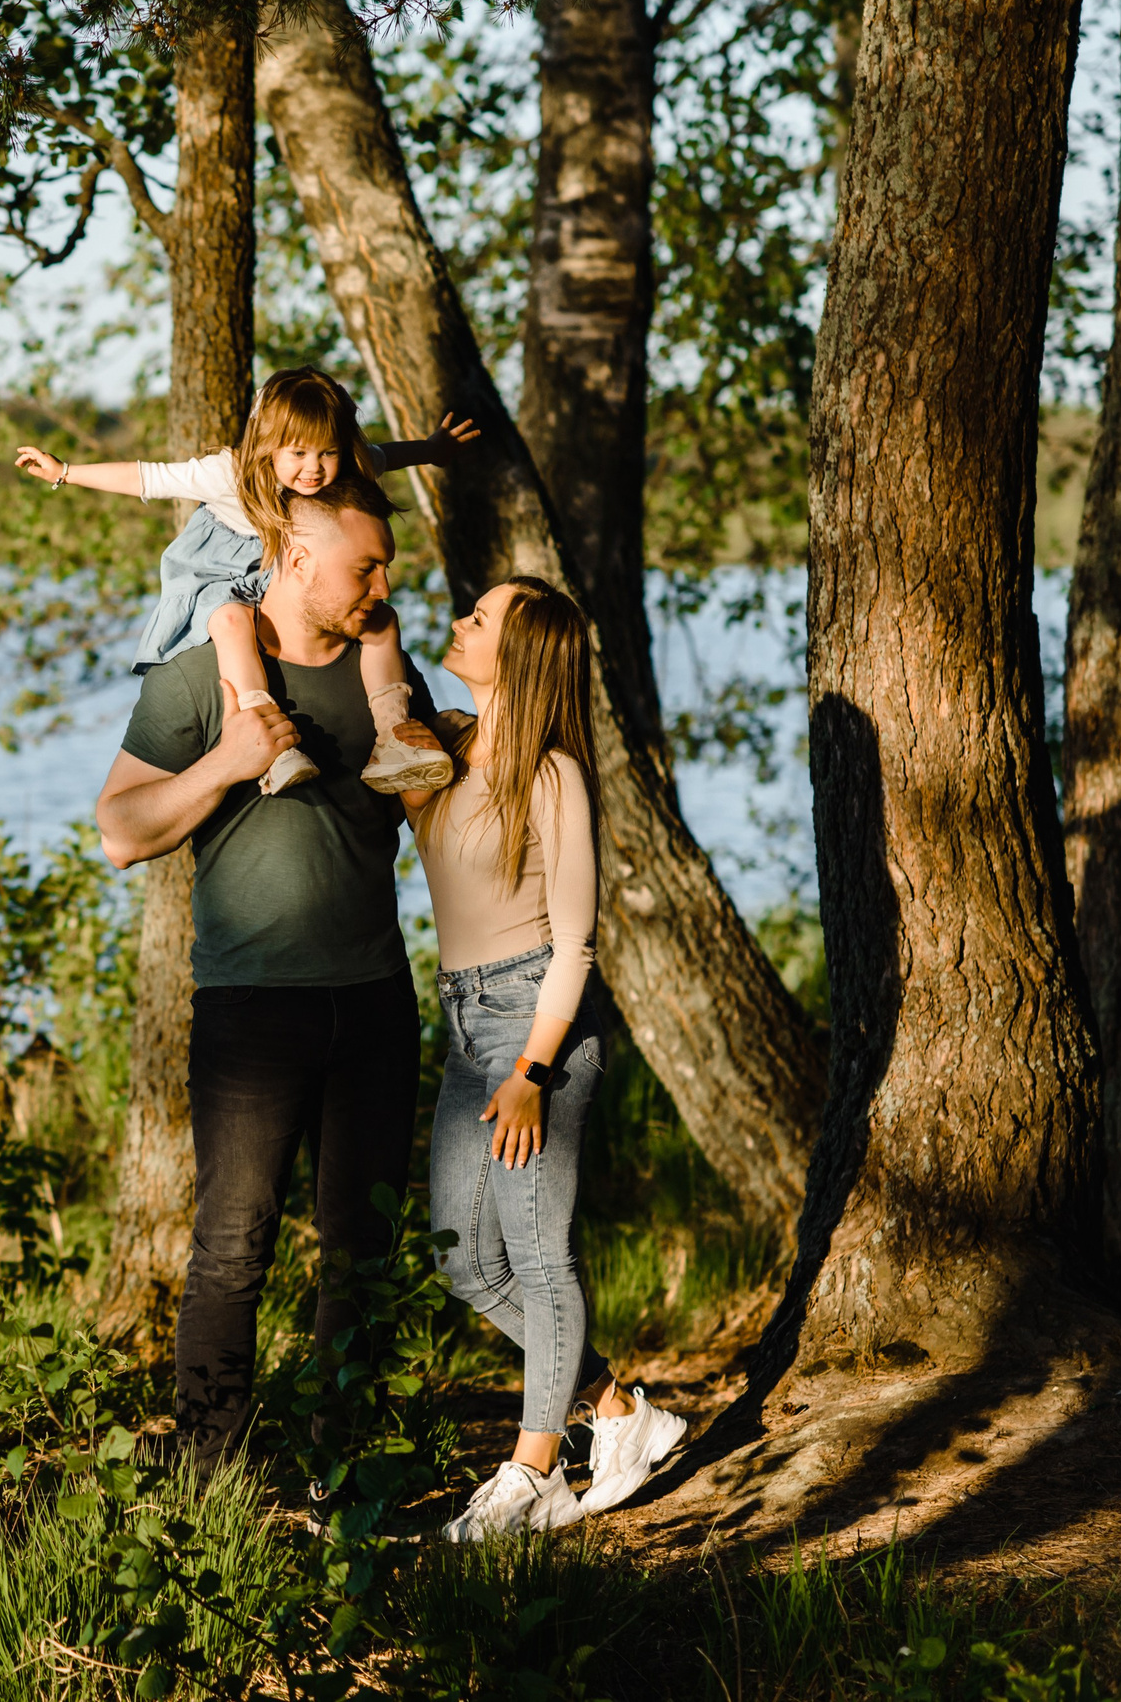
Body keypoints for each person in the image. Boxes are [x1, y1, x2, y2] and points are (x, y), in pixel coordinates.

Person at [95, 474, 450, 1470]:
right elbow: (120, 831)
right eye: (365, 567)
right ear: (295, 557)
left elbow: (440, 815)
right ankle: (212, 1470)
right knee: (232, 1244)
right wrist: (226, 761)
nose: (384, 585)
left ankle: (344, 1473)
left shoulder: (388, 677)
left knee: (363, 1249)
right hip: (250, 1010)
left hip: (375, 1004)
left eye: (386, 566)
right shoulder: (197, 679)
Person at [396, 576, 689, 1540]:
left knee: (537, 1252)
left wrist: (530, 1072)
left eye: (480, 617)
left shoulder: (554, 774)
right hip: (464, 1020)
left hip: (537, 1028)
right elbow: (374, 685)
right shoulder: (442, 744)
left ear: (519, 655)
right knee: (465, 1262)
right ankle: (618, 1410)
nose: (460, 620)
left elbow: (576, 943)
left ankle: (534, 1474)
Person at [18, 368, 474, 797]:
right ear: (269, 443)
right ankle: (270, 740)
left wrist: (432, 450)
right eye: (298, 453)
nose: (314, 468)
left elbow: (386, 455)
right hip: (220, 576)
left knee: (383, 621)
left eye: (327, 452)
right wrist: (64, 473)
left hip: (280, 580)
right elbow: (150, 477)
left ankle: (392, 736)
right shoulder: (230, 475)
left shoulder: (348, 469)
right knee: (233, 621)